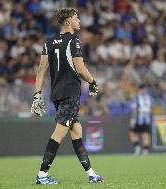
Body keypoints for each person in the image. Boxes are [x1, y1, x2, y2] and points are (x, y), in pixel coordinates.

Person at [30, 7, 104, 184]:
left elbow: (40, 71)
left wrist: (37, 95)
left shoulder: (49, 42)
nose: (79, 21)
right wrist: (93, 82)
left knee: (76, 130)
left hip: (56, 93)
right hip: (70, 92)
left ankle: (91, 174)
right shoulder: (74, 41)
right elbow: (80, 68)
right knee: (59, 132)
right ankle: (42, 175)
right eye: (76, 18)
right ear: (68, 22)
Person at [129, 84, 153, 155]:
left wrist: (133, 119)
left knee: (136, 133)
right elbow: (151, 108)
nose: (145, 91)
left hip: (139, 118)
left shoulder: (137, 98)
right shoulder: (150, 98)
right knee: (144, 134)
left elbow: (134, 109)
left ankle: (138, 147)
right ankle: (145, 150)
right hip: (146, 119)